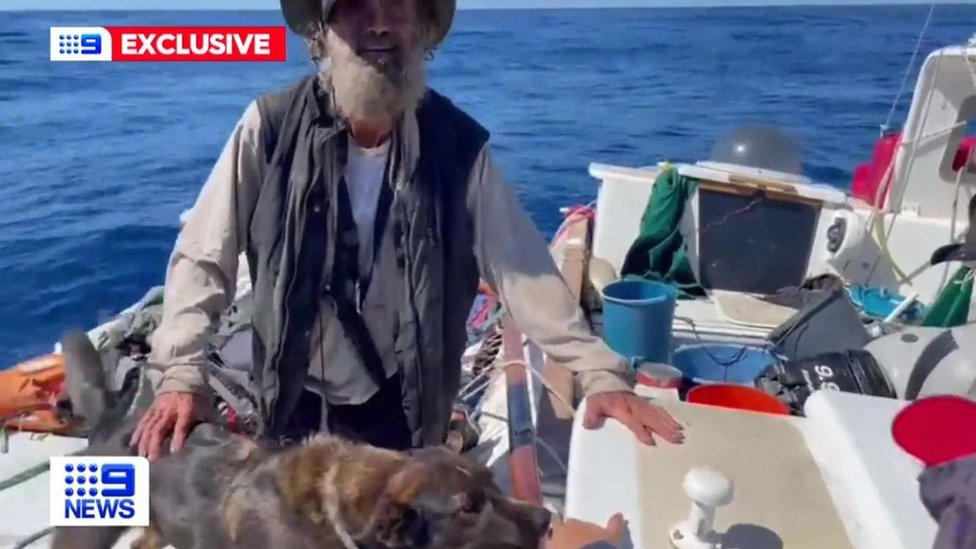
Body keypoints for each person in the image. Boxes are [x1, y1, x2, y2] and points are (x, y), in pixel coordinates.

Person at [130, 0, 684, 461]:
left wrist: (600, 374)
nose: (377, 24)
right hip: (290, 398)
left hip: (406, 402)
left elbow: (523, 271)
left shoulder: (458, 147)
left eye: (396, 5)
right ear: (322, 31)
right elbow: (205, 253)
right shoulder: (271, 128)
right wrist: (180, 372)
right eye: (354, 7)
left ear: (421, 28)